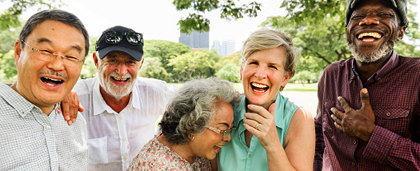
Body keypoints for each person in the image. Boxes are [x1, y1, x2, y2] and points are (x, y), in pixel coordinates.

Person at [314, 0, 420, 170]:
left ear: (400, 31)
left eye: (384, 14)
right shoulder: (331, 74)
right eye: (358, 16)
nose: (368, 21)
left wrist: (372, 135)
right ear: (348, 31)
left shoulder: (417, 76)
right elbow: (319, 134)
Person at [71, 25, 177, 171]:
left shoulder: (156, 92)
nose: (121, 71)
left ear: (141, 65)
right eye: (113, 60)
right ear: (96, 61)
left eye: (130, 62)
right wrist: (59, 97)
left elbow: (197, 103)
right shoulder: (73, 96)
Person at [0, 9, 89, 170]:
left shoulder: (75, 121)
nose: (57, 65)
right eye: (46, 51)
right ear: (19, 52)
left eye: (71, 57)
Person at [216, 29, 315, 170]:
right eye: (254, 63)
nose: (260, 74)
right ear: (241, 70)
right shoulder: (223, 109)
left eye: (272, 67)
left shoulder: (299, 119)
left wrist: (272, 144)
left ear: (285, 78)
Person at [128, 77, 241, 170]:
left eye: (230, 129)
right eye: (222, 130)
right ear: (192, 127)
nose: (228, 138)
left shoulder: (195, 150)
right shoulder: (160, 166)